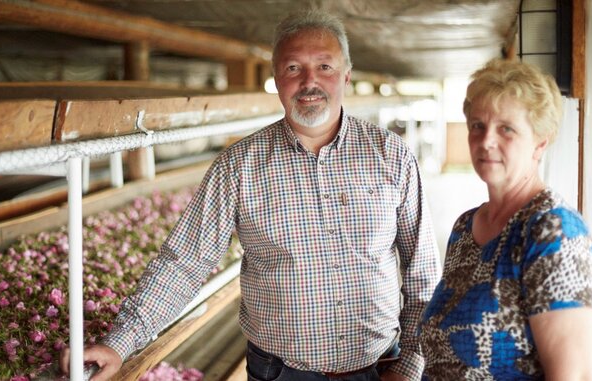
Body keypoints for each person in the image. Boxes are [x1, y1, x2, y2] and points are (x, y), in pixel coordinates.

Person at [61, 10, 440, 381]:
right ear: (276, 79)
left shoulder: (391, 154)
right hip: (281, 371)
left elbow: (423, 272)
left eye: (324, 66)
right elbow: (185, 262)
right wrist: (120, 341)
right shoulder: (238, 167)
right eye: (293, 68)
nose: (310, 81)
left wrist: (408, 366)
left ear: (346, 75)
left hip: (380, 366)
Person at [419, 58, 592, 380]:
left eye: (506, 129)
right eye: (478, 125)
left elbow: (575, 374)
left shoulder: (553, 232)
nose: (486, 141)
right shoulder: (465, 227)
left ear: (540, 142)